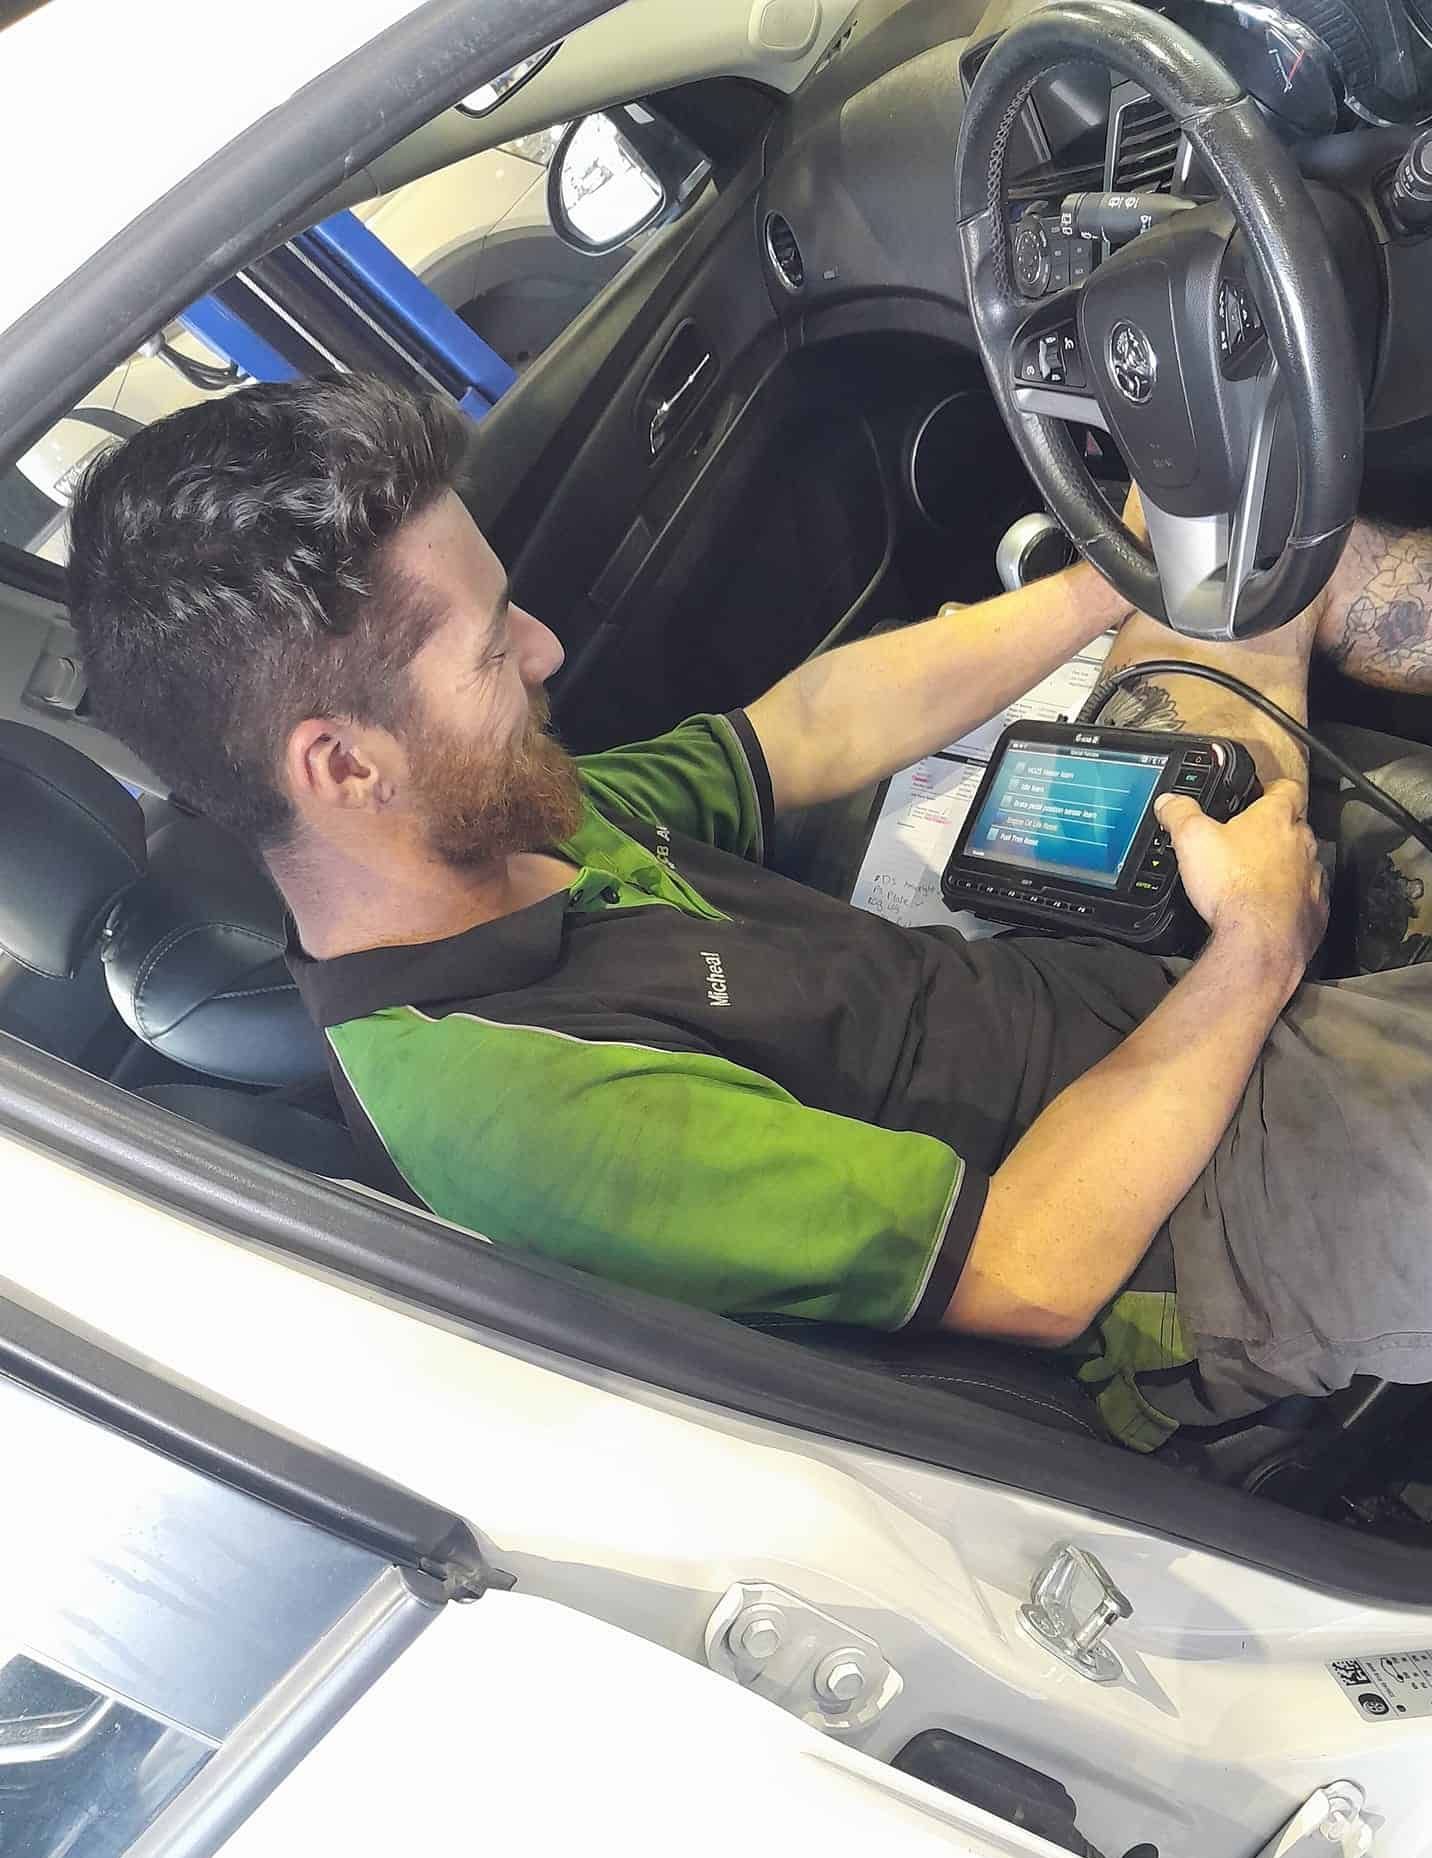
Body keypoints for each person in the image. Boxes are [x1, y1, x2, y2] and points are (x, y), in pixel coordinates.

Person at [64, 373, 1432, 1450]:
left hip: (1088, 992)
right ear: (344, 764)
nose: (542, 649)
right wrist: (1256, 950)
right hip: (1181, 1218)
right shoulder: (518, 1109)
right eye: (491, 647)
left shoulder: (503, 818)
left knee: (1245, 569)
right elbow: (1026, 1267)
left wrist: (1102, 579)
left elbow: (802, 732)